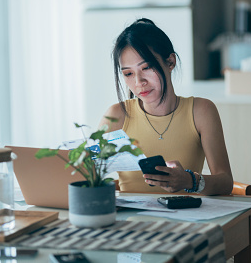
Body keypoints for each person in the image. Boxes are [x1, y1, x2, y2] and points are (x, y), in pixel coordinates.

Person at [98, 18, 233, 196]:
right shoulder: (117, 116)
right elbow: (87, 174)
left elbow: (225, 182)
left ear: (170, 62)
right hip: (131, 222)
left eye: (146, 67)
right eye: (129, 74)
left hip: (188, 219)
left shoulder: (201, 111)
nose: (139, 82)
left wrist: (188, 180)